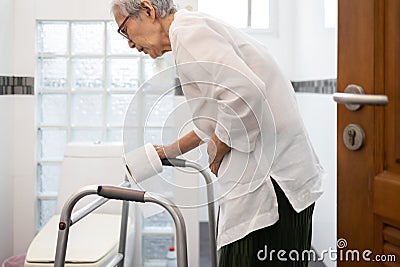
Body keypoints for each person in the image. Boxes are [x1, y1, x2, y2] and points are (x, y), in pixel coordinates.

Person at [111, 0, 325, 266]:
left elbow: (245, 93)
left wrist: (220, 146)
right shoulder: (190, 33)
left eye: (124, 29)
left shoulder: (188, 33)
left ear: (147, 10)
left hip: (274, 184)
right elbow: (211, 122)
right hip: (280, 176)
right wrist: (167, 151)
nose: (129, 43)